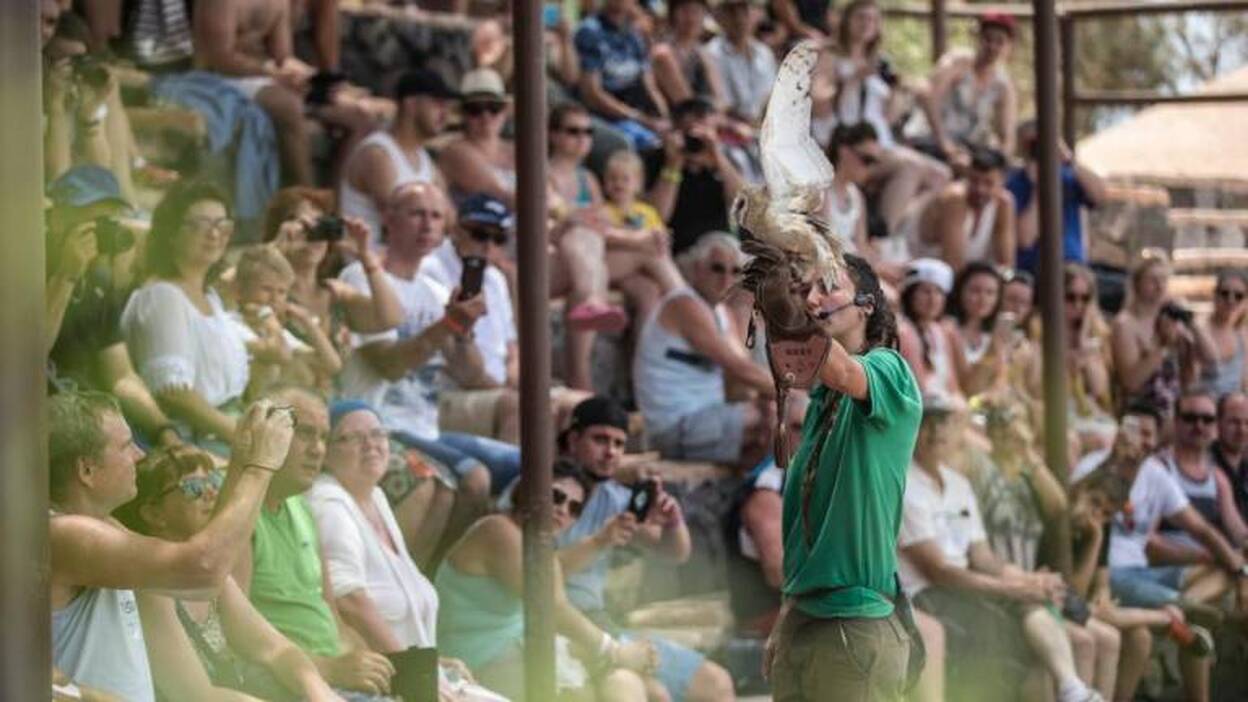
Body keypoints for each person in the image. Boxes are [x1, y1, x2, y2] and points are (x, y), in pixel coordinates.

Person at [49, 391, 293, 701]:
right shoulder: (63, 534)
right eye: (126, 446)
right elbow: (202, 569)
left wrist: (241, 464)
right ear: (86, 470)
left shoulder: (100, 527)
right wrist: (261, 468)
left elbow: (200, 578)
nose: (139, 454)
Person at [761, 253, 922, 700]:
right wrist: (786, 617)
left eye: (827, 287)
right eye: (806, 289)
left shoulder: (891, 370)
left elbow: (844, 369)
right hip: (805, 618)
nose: (813, 299)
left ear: (868, 304)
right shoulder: (820, 405)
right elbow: (802, 527)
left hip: (856, 620)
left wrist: (786, 304)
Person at [897, 394, 1103, 702]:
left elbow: (982, 556)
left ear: (958, 430)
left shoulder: (959, 484)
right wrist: (1011, 589)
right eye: (927, 422)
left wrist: (1025, 580)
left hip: (962, 587)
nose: (936, 431)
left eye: (944, 422)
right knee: (1006, 628)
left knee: (1035, 607)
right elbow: (938, 571)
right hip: (925, 594)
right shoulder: (905, 483)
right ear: (912, 428)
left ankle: (1072, 688)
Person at [113, 445, 343, 702]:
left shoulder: (212, 578)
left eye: (212, 480)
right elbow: (195, 695)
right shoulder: (151, 588)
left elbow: (276, 649)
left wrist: (318, 690)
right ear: (154, 514)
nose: (211, 492)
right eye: (194, 488)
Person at [337, 183, 518, 505]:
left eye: (436, 216)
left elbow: (469, 375)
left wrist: (463, 331)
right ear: (388, 219)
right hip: (383, 423)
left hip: (426, 426)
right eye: (417, 213)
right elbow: (389, 365)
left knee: (524, 467)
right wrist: (445, 325)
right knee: (474, 478)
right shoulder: (361, 277)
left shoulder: (434, 291)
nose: (428, 224)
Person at [556, 397, 736, 702]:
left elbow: (674, 553)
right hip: (562, 626)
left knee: (715, 683)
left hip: (601, 621)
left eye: (619, 443)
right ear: (573, 440)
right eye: (600, 439)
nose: (610, 451)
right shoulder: (547, 494)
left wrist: (673, 521)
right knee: (655, 694)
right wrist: (601, 540)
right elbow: (534, 575)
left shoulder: (614, 498)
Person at [437, 460, 658, 701]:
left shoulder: (528, 539)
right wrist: (615, 651)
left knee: (631, 683)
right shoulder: (498, 530)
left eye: (574, 508)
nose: (563, 510)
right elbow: (552, 607)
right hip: (476, 658)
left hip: (513, 644)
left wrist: (600, 541)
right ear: (526, 491)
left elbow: (554, 568)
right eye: (556, 496)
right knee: (587, 692)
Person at [231, 388, 400, 699]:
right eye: (305, 434)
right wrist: (329, 668)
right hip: (289, 684)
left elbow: (334, 620)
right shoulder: (239, 513)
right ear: (267, 433)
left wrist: (391, 667)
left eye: (323, 437)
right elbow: (235, 638)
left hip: (334, 677)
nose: (318, 449)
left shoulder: (304, 510)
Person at [967, 395, 1122, 700]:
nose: (1018, 430)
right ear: (996, 429)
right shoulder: (981, 467)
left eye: (1022, 421)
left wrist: (1027, 453)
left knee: (1105, 639)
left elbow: (1058, 506)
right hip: (999, 585)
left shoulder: (1030, 477)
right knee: (1084, 642)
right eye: (1012, 421)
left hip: (1033, 588)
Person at [45, 166, 184, 449]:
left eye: (109, 221)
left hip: (90, 417)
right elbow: (24, 355)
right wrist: (66, 276)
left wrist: (165, 432)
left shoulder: (99, 282)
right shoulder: (32, 266)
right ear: (57, 220)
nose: (103, 232)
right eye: (94, 221)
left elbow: (120, 376)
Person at [1070, 397, 1247, 615]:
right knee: (1165, 595)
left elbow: (1201, 529)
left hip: (1144, 570)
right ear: (1120, 432)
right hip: (1109, 572)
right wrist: (1114, 462)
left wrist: (1240, 571)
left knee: (1224, 571)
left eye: (1147, 434)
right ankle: (1182, 608)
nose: (1139, 440)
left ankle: (1181, 608)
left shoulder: (1155, 473)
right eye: (1134, 431)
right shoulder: (1094, 464)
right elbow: (1072, 505)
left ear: (1156, 440)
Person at [1067, 461, 1216, 702]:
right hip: (1063, 605)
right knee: (1103, 619)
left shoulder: (1098, 528)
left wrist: (1103, 592)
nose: (1097, 516)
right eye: (1094, 503)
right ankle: (1168, 618)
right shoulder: (1067, 524)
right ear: (1081, 490)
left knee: (1140, 637)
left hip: (1084, 605)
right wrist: (1094, 542)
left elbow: (1101, 581)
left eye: (1106, 514)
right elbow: (1074, 594)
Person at [121, 181, 251, 451]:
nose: (215, 234)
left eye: (222, 224)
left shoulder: (211, 297)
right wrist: (236, 433)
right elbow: (171, 392)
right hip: (195, 442)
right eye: (200, 224)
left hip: (225, 431)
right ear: (171, 232)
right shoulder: (162, 297)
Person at [190, 0, 374, 185]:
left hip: (265, 75)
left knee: (358, 115)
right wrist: (271, 72)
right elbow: (217, 58)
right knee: (287, 105)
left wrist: (305, 77)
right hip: (220, 79)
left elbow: (283, 57)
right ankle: (305, 197)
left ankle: (339, 204)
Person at [633, 233, 775, 468]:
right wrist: (790, 394)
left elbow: (744, 375)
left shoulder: (721, 312)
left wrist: (768, 399)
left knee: (777, 422)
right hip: (674, 427)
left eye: (735, 272)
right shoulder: (684, 305)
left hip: (705, 419)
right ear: (698, 269)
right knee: (787, 419)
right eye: (717, 269)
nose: (726, 279)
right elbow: (739, 368)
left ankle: (760, 486)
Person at [830, 0, 951, 235]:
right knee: (911, 166)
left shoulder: (880, 62)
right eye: (861, 18)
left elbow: (889, 116)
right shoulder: (831, 55)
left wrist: (896, 90)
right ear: (848, 21)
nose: (867, 25)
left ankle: (896, 226)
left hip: (883, 140)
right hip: (850, 140)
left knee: (941, 176)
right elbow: (821, 102)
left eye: (873, 20)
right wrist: (854, 78)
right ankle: (882, 236)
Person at [262, 187, 404, 348]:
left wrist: (366, 256)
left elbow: (391, 318)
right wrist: (276, 248)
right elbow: (234, 288)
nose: (311, 234)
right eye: (301, 225)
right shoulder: (264, 292)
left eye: (319, 225)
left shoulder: (336, 294)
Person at [341, 69, 455, 248]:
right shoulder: (377, 153)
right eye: (437, 104)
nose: (445, 114)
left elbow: (449, 220)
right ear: (410, 104)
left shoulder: (425, 160)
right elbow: (398, 221)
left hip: (411, 263)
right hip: (371, 263)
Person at [1110, 251, 1216, 422]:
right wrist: (1162, 346)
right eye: (1152, 280)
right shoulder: (1125, 324)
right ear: (1137, 283)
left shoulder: (1171, 318)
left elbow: (1211, 359)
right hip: (1143, 412)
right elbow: (1131, 382)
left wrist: (1190, 322)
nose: (1159, 286)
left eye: (1164, 280)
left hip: (1175, 408)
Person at [229, 244, 342, 397]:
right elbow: (281, 354)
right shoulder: (231, 324)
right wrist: (269, 320)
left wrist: (306, 321)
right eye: (266, 289)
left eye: (281, 292)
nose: (274, 299)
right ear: (238, 291)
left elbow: (332, 365)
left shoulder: (274, 332)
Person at [1151, 391, 1248, 563]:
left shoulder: (1218, 478)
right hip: (1168, 567)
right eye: (1190, 418)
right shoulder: (1158, 468)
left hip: (1210, 567)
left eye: (1207, 419)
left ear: (1216, 427)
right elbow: (1146, 539)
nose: (1199, 425)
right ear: (1176, 423)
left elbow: (1239, 532)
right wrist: (1203, 558)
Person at [646, 97, 745, 256]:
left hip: (721, 245)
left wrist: (717, 157)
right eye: (688, 132)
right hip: (679, 249)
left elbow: (743, 204)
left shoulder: (723, 160)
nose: (695, 139)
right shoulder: (655, 160)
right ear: (674, 130)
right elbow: (656, 216)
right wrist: (673, 164)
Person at [1007, 122, 1107, 274]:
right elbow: (1025, 240)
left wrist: (1067, 158)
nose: (1038, 149)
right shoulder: (1014, 183)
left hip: (1072, 264)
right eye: (1032, 144)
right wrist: (1039, 188)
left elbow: (1100, 196)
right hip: (1032, 268)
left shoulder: (1069, 176)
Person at [918, 12, 1018, 164]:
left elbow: (1007, 135)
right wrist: (943, 142)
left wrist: (1000, 159)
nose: (992, 47)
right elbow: (928, 96)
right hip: (932, 139)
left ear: (1008, 46)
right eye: (988, 39)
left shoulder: (1003, 84)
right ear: (978, 38)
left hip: (970, 148)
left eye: (999, 42)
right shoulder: (957, 62)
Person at [575, 0, 670, 150]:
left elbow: (650, 86)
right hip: (603, 117)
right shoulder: (590, 31)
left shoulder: (634, 34)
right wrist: (639, 118)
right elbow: (592, 94)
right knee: (635, 144)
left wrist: (665, 118)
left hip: (636, 114)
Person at [905, 147, 1015, 272]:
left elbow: (1006, 265)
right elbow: (953, 264)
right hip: (916, 266)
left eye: (988, 183)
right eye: (974, 181)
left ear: (1002, 181)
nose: (980, 189)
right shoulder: (955, 198)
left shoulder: (1004, 203)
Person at [438, 68, 518, 208]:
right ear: (463, 115)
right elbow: (501, 196)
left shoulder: (514, 150)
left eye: (494, 108)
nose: (485, 117)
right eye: (475, 109)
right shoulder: (456, 152)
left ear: (504, 112)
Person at [946, 260, 1017, 398]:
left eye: (990, 293)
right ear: (960, 291)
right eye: (975, 290)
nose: (983, 298)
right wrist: (992, 349)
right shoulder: (949, 329)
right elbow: (969, 387)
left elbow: (1001, 383)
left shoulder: (994, 332)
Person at [897, 258, 963, 399]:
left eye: (939, 292)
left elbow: (952, 385)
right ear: (910, 295)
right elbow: (920, 388)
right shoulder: (903, 331)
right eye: (925, 291)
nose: (933, 299)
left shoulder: (939, 331)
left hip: (943, 407)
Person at [705, 0, 778, 126]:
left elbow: (771, 97)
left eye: (744, 10)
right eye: (731, 11)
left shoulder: (764, 53)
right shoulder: (712, 54)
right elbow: (723, 106)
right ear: (719, 16)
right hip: (731, 131)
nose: (739, 18)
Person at [651, 0, 728, 113]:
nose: (691, 18)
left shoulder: (702, 52)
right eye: (685, 10)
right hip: (677, 120)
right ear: (673, 14)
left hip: (706, 117)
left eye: (696, 11)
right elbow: (686, 104)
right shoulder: (663, 53)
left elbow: (721, 99)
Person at [1196, 270, 1248, 398]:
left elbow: (1244, 383)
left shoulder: (1242, 335)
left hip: (1234, 411)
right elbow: (1189, 380)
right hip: (1203, 411)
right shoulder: (1199, 329)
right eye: (1225, 294)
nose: (1231, 300)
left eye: (1238, 296)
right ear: (1215, 295)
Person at [1214, 391, 1248, 520]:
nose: (1242, 430)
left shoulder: (1244, 469)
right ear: (1218, 423)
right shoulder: (1204, 467)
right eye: (1234, 422)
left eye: (1247, 423)